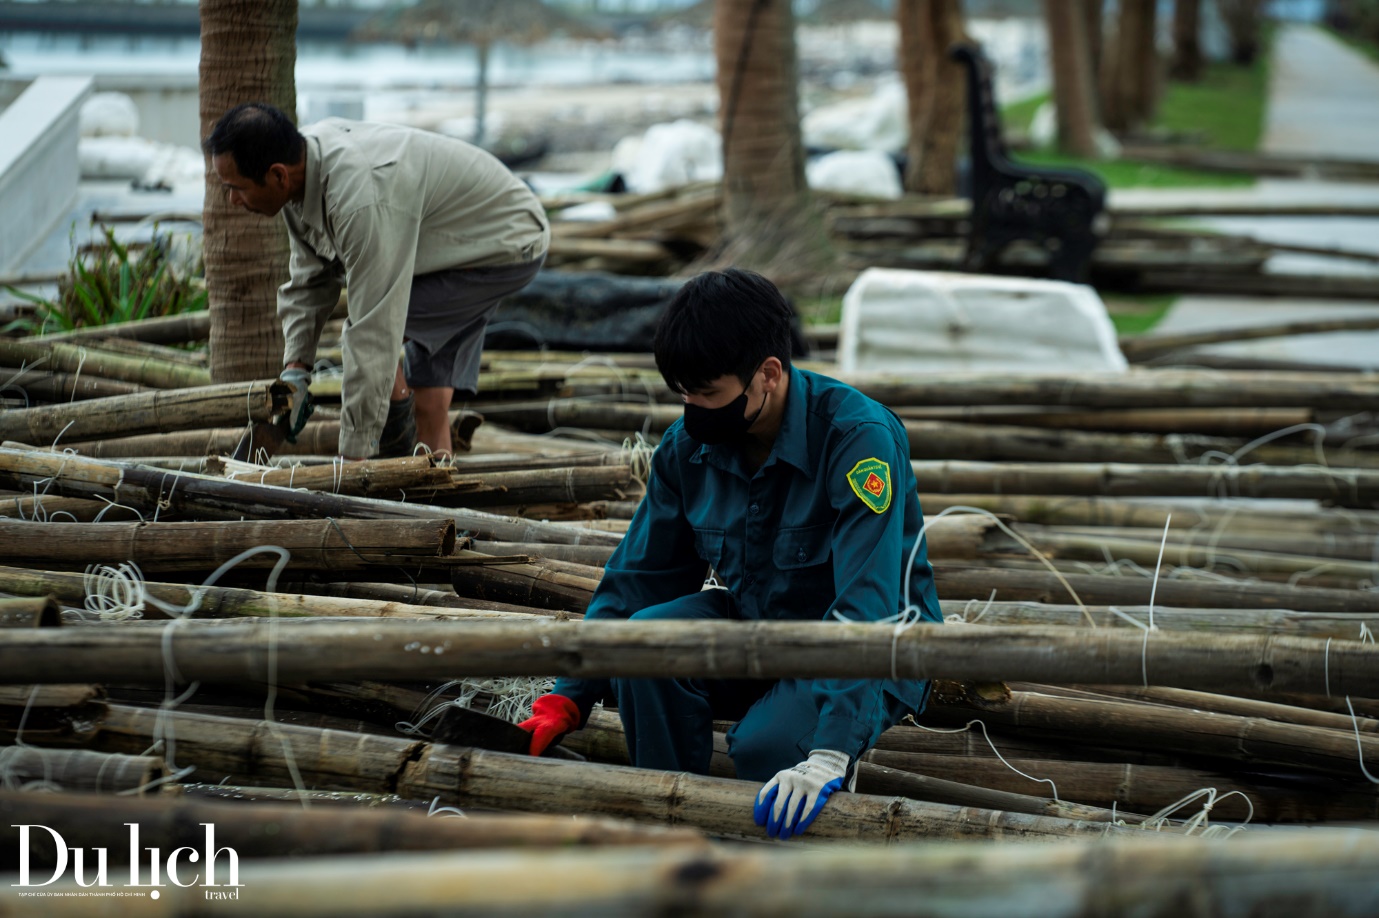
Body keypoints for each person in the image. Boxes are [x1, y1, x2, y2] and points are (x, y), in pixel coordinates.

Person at [519, 268, 943, 840]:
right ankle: (672, 839)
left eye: (708, 393)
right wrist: (569, 696)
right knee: (643, 645)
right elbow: (638, 577)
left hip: (867, 648)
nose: (694, 409)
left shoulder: (856, 439)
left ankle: (758, 880)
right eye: (684, 394)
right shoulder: (689, 445)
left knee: (767, 746)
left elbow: (867, 606)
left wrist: (830, 751)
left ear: (768, 374)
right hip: (758, 627)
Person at [204, 102, 550, 459]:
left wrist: (353, 459)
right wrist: (296, 370)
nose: (232, 200)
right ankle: (437, 500)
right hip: (450, 242)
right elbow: (309, 282)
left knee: (374, 337)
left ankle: (393, 441)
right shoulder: (300, 173)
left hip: (503, 242)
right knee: (429, 399)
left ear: (277, 175)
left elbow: (374, 332)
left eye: (236, 188)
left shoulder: (359, 200)